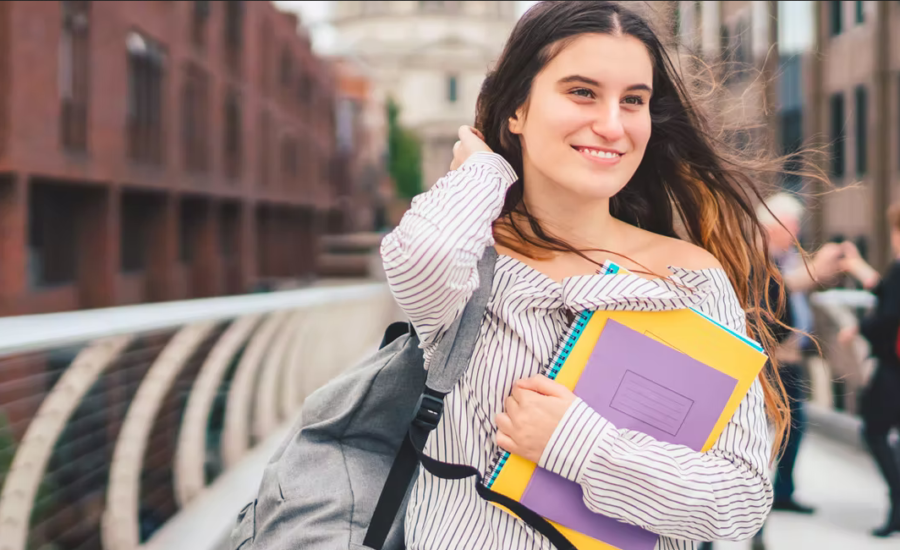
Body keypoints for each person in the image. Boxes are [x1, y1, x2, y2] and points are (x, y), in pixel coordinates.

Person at [380, 2, 800, 548]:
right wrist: (485, 172)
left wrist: (576, 444)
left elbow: (739, 502)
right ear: (517, 110)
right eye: (581, 92)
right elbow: (421, 254)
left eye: (634, 101)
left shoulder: (689, 277)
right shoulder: (470, 264)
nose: (611, 125)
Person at [837, 204, 900, 538]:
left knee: (874, 429)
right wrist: (861, 269)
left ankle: (897, 502)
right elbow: (890, 293)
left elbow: (889, 315)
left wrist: (860, 328)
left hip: (893, 368)